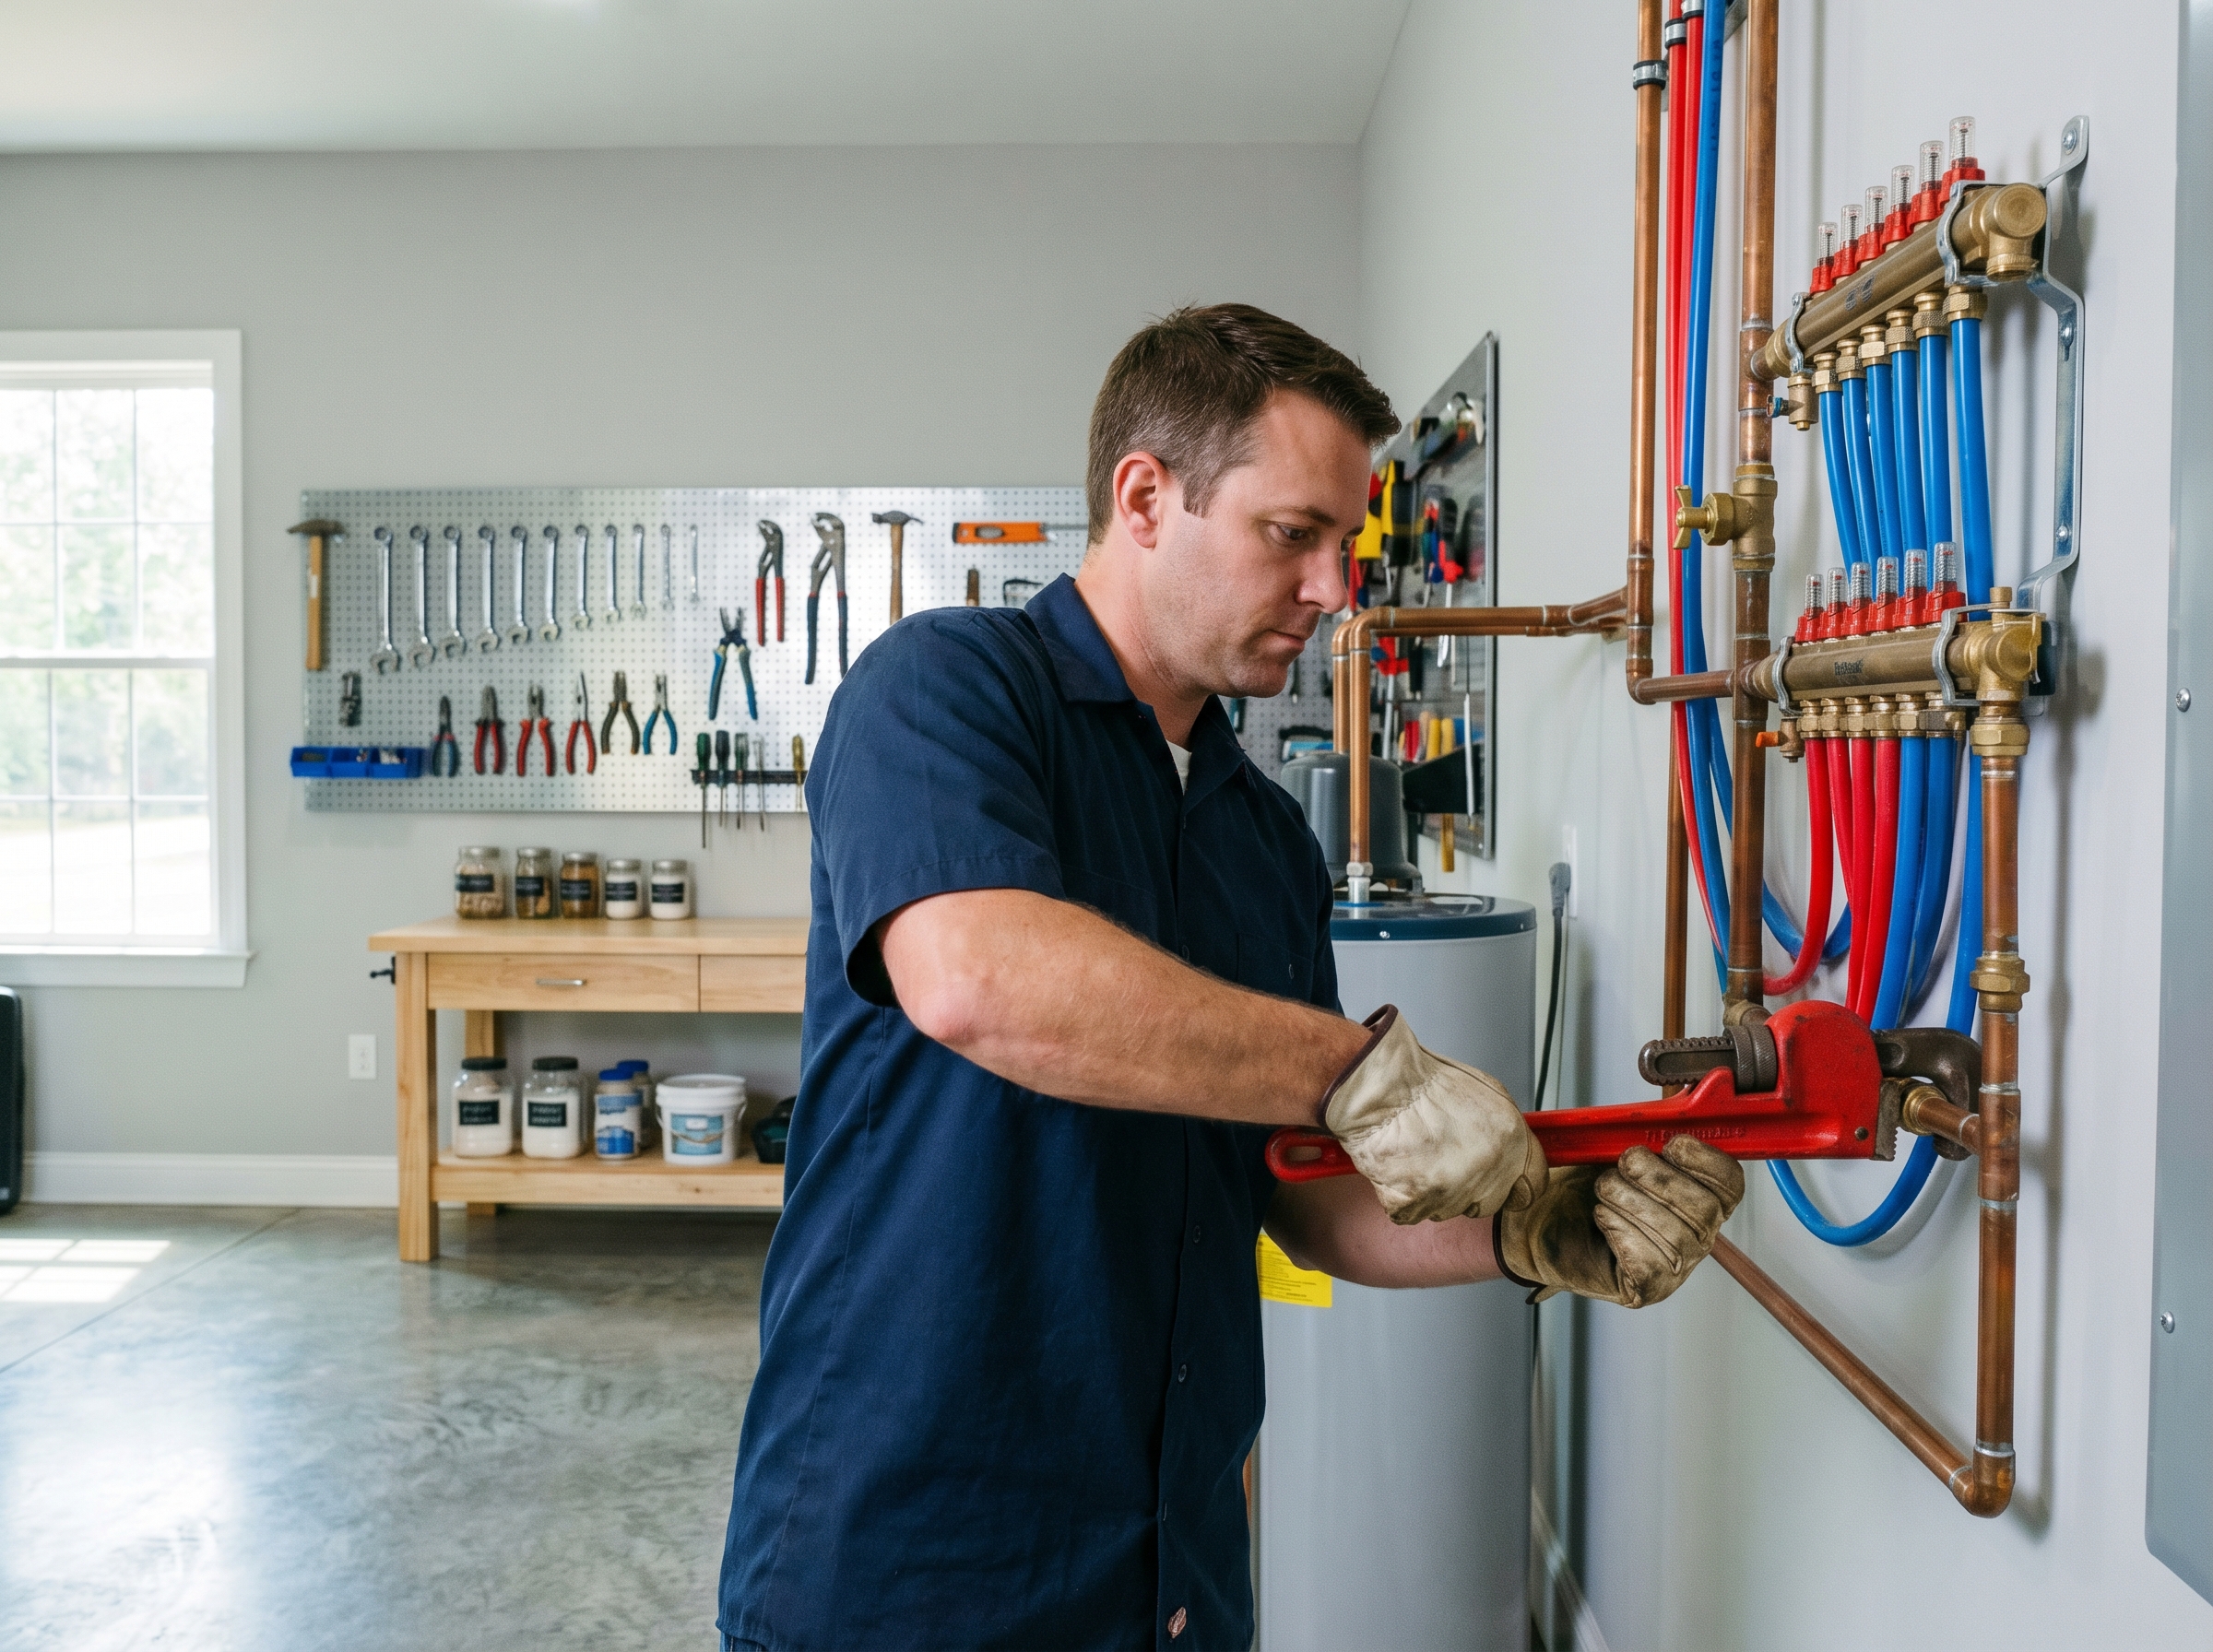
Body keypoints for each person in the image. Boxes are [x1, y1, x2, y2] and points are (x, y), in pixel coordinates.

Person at [717, 303, 1744, 1652]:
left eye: (1346, 544)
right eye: (1292, 534)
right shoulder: (945, 691)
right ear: (1146, 498)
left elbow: (1301, 1192)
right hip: (912, 1564)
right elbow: (977, 980)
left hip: (1169, 1573)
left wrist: (1528, 1224)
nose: (1335, 589)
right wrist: (1357, 1073)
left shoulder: (1263, 839)